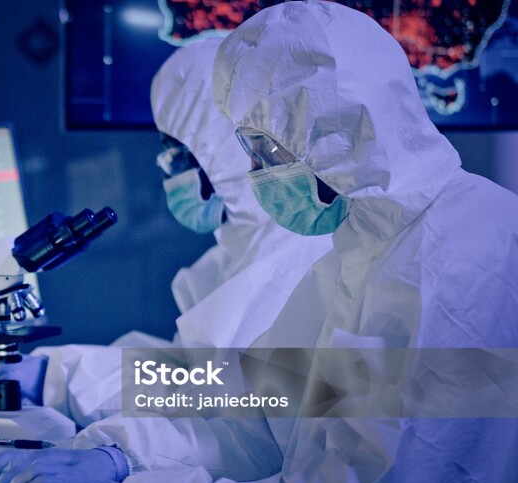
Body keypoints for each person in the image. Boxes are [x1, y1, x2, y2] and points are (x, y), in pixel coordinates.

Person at [0, 2, 518, 483]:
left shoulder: (462, 262)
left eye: (264, 150)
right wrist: (122, 458)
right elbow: (258, 413)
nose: (256, 172)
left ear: (335, 136)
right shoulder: (363, 249)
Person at [28, 35, 331, 428]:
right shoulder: (240, 250)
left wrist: (102, 442)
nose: (168, 168)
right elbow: (181, 371)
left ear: (219, 150)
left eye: (174, 151)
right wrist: (53, 374)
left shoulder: (288, 263)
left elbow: (209, 417)